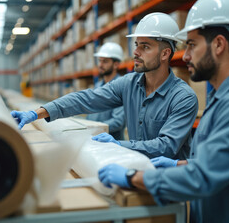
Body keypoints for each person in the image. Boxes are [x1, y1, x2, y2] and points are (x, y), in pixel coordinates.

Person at [97, 0, 229, 222]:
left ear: (219, 45)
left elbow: (202, 178)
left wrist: (133, 176)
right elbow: (221, 163)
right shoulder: (225, 97)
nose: (185, 56)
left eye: (192, 45)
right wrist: (180, 163)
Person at [11, 12, 198, 160]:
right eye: (136, 45)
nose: (136, 52)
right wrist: (38, 113)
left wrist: (118, 145)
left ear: (165, 54)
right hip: (136, 170)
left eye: (145, 47)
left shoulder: (183, 97)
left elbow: (166, 146)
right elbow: (86, 99)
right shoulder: (129, 84)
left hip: (169, 185)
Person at [86, 42, 126, 140]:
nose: (100, 65)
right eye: (100, 61)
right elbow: (90, 113)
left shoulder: (122, 87)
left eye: (105, 61)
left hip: (111, 143)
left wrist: (93, 128)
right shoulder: (98, 86)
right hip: (94, 139)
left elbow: (118, 122)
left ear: (116, 64)